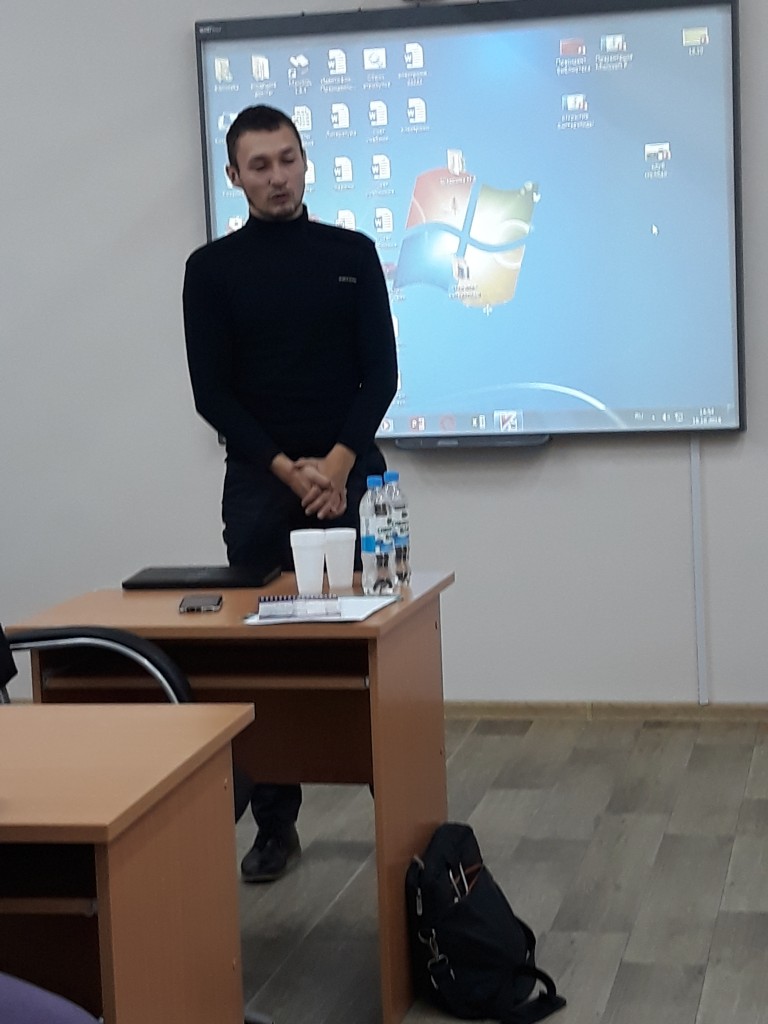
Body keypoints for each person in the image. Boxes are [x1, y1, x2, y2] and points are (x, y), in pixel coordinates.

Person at [182, 105, 398, 883]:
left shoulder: (352, 254)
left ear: (306, 163)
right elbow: (213, 394)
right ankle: (275, 825)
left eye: (287, 160)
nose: (277, 177)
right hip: (259, 485)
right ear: (234, 176)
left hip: (353, 478)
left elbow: (382, 374)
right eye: (259, 166)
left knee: (376, 648)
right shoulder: (211, 270)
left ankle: (398, 809)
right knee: (264, 661)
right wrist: (288, 470)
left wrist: (336, 466)